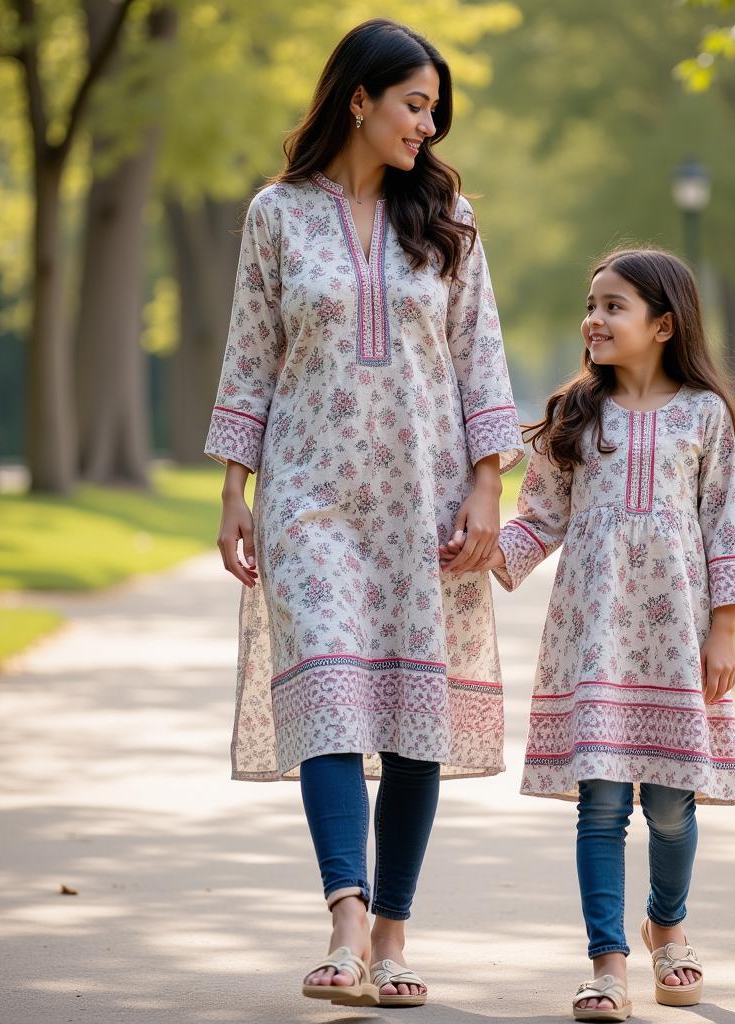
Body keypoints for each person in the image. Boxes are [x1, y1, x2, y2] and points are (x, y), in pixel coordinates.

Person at [206, 18, 523, 1009]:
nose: (426, 126)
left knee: (414, 723)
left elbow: (480, 354)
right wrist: (234, 492)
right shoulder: (277, 215)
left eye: (436, 111)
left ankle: (391, 939)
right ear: (359, 99)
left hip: (422, 500)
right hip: (308, 498)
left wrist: (485, 482)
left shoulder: (447, 216)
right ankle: (345, 920)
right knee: (333, 693)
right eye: (413, 104)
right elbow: (250, 354)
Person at [442, 248, 735, 1021]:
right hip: (594, 640)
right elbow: (539, 518)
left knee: (670, 808)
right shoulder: (575, 416)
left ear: (662, 324)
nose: (594, 318)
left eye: (613, 306)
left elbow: (726, 521)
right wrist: (478, 553)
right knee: (600, 808)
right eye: (591, 303)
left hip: (674, 639)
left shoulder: (703, 416)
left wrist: (724, 631)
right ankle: (607, 964)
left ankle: (669, 926)